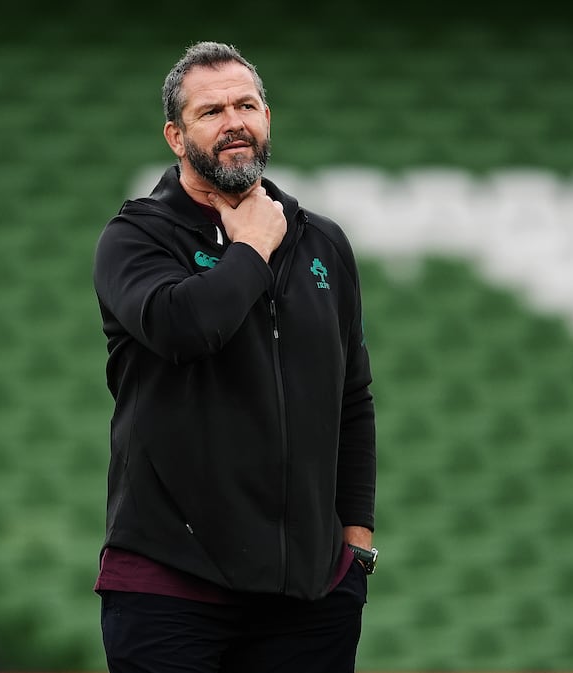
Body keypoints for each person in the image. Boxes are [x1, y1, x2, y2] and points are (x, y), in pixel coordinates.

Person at [92, 41, 377, 673]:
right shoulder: (135, 237)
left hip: (309, 594)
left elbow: (351, 394)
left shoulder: (322, 241)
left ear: (268, 118)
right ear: (175, 135)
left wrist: (355, 542)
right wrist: (249, 250)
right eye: (211, 111)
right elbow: (184, 328)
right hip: (172, 585)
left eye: (246, 105)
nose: (234, 123)